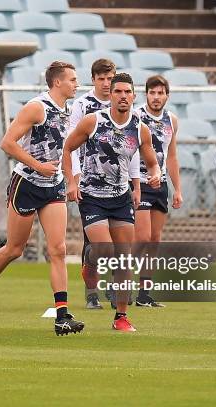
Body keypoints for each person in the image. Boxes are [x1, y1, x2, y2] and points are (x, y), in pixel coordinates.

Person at [0, 61, 84, 336]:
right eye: (72, 79)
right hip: (27, 183)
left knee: (58, 249)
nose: (77, 84)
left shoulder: (68, 111)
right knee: (14, 249)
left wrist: (71, 179)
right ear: (57, 82)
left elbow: (67, 149)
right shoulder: (36, 107)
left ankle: (62, 315)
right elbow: (7, 143)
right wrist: (38, 165)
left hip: (53, 185)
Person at [63, 73, 161, 332]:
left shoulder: (140, 128)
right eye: (118, 91)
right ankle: (90, 259)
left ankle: (121, 317)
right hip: (92, 196)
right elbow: (67, 147)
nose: (123, 96)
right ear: (111, 95)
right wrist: (72, 182)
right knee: (105, 252)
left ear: (133, 96)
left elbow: (150, 161)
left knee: (124, 258)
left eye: (127, 92)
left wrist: (154, 174)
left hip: (121, 197)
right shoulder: (93, 121)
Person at [67, 59, 140, 309]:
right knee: (99, 247)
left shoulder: (128, 111)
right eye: (102, 79)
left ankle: (116, 292)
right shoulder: (83, 107)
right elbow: (71, 146)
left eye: (112, 79)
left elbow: (131, 149)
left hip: (119, 189)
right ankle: (91, 292)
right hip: (90, 185)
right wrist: (74, 180)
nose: (108, 84)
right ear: (95, 80)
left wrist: (136, 182)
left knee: (121, 251)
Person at [133, 75, 183, 308]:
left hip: (159, 185)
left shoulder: (171, 120)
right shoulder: (136, 115)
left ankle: (145, 294)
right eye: (152, 93)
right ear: (146, 94)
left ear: (167, 96)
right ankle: (118, 280)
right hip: (139, 182)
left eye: (160, 93)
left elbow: (171, 156)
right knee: (141, 238)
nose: (156, 97)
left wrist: (177, 189)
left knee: (154, 240)